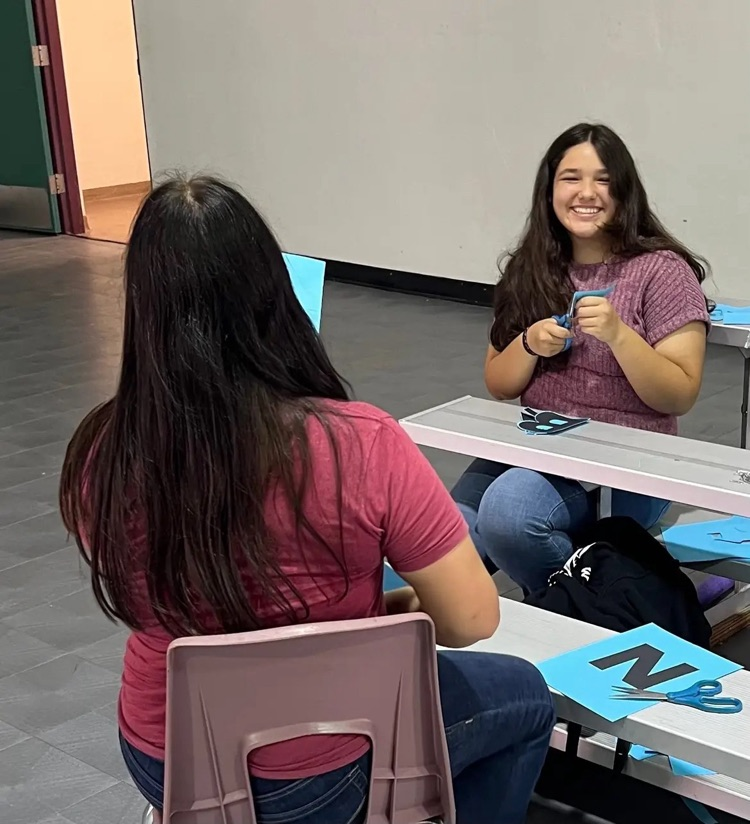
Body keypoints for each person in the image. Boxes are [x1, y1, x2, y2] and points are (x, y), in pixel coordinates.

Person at [59, 175, 554, 824]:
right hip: (321, 772)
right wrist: (387, 616)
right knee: (526, 697)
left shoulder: (101, 450)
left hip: (162, 756)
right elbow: (470, 621)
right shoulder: (361, 441)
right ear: (275, 293)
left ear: (142, 305)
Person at [451, 123, 724, 599]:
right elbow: (499, 382)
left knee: (512, 516)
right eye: (570, 178)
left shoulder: (662, 271)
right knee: (451, 535)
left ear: (624, 191)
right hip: (539, 444)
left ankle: (616, 607)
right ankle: (592, 600)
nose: (586, 193)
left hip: (629, 460)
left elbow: (679, 393)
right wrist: (530, 344)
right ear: (549, 189)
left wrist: (621, 336)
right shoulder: (531, 267)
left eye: (602, 180)